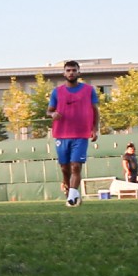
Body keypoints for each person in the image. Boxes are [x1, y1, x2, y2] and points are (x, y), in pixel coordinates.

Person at [46, 59, 99, 206]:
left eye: (74, 70)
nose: (71, 73)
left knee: (76, 165)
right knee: (65, 167)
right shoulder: (57, 92)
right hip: (61, 134)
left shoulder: (89, 90)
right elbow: (48, 111)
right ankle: (68, 187)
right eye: (68, 70)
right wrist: (52, 114)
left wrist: (94, 128)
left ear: (79, 72)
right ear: (64, 73)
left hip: (81, 135)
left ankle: (72, 197)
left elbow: (95, 110)